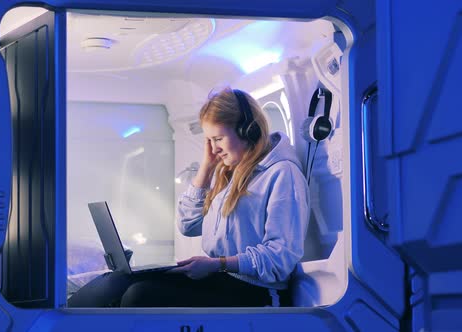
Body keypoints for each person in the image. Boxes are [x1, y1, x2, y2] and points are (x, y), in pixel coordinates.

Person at [66, 87, 309, 307]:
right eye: (209, 141)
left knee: (139, 296)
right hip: (222, 278)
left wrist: (218, 264)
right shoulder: (228, 173)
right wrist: (206, 169)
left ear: (248, 129)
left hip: (257, 291)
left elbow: (280, 257)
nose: (213, 149)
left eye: (218, 139)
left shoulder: (282, 174)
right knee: (117, 284)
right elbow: (188, 225)